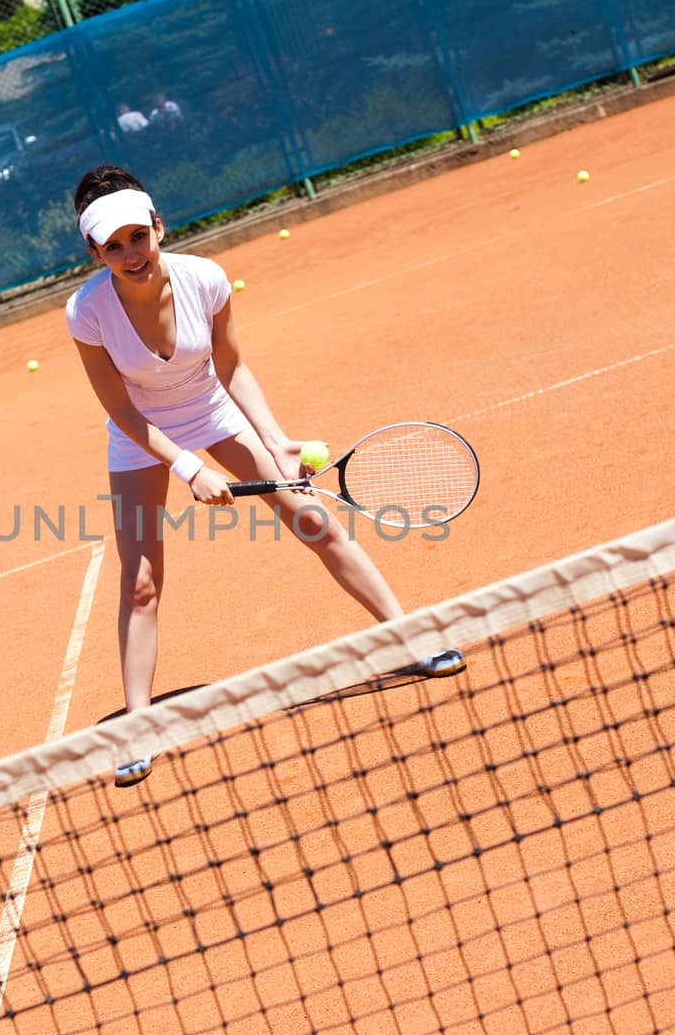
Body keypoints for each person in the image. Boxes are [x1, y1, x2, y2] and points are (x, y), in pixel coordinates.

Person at [66, 163, 458, 786]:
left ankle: (410, 639)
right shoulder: (87, 312)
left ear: (158, 228)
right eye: (112, 246)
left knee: (314, 521)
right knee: (140, 582)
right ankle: (138, 729)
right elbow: (118, 408)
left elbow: (233, 366)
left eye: (137, 237)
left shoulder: (205, 279)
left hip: (213, 412)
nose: (130, 254)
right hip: (142, 437)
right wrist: (189, 467)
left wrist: (274, 440)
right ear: (94, 251)